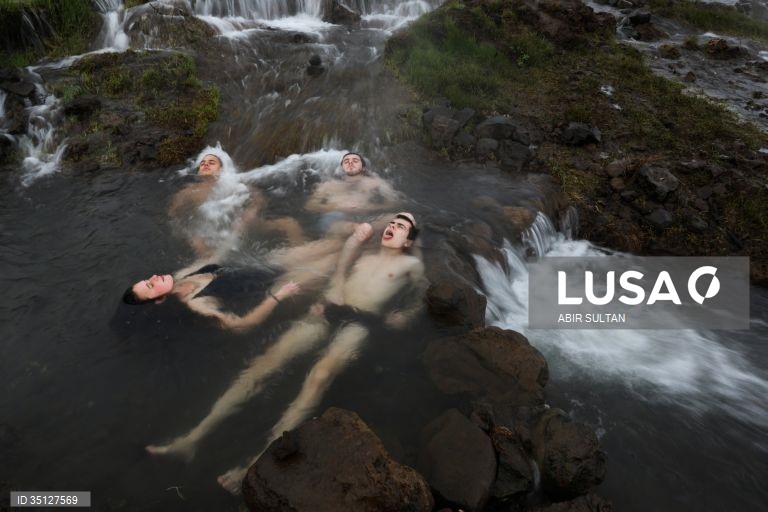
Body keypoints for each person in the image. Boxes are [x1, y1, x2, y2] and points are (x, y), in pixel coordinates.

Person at [145, 214, 427, 495]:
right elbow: (344, 247)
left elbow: (421, 295)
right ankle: (192, 438)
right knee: (263, 365)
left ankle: (256, 461)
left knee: (319, 375)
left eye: (400, 227)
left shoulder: (412, 264)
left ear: (409, 240)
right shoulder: (366, 251)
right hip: (329, 308)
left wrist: (405, 315)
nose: (392, 227)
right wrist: (337, 284)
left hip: (360, 321)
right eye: (392, 223)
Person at [169, 150, 304, 259]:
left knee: (289, 223)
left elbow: (259, 199)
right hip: (208, 230)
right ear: (198, 171)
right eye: (203, 163)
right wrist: (192, 235)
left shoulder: (233, 182)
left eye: (212, 162)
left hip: (242, 223)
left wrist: (252, 212)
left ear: (221, 169)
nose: (206, 164)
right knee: (200, 245)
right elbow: (176, 214)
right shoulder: (188, 192)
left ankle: (299, 258)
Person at [122, 265, 300, 332]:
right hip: (272, 285)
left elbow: (211, 257)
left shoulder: (181, 275)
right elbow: (243, 324)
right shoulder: (198, 304)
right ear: (159, 300)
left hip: (261, 267)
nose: (153, 277)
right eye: (151, 286)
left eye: (148, 280)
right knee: (325, 259)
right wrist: (279, 295)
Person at [305, 152, 404, 236]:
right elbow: (309, 206)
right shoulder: (328, 185)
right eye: (346, 161)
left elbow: (395, 203)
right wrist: (337, 207)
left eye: (355, 161)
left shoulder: (376, 184)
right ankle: (358, 232)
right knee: (338, 221)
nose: (350, 163)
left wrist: (366, 207)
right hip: (335, 220)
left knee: (399, 218)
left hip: (368, 219)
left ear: (363, 167)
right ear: (342, 168)